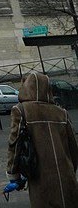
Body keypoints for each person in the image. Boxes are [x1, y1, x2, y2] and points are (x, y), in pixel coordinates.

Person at [7, 72, 78, 207]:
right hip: (66, 177)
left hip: (41, 178)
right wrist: (70, 169)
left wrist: (13, 174)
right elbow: (74, 147)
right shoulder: (61, 113)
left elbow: (14, 145)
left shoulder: (21, 110)